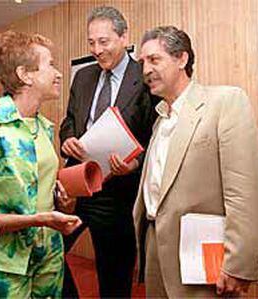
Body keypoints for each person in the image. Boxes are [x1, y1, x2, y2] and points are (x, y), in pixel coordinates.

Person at [134, 26, 258, 298]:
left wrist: (238, 264)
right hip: (154, 251)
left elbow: (246, 192)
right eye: (142, 63)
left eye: (154, 59)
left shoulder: (225, 102)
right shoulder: (160, 120)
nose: (146, 70)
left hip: (202, 258)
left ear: (182, 59)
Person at [0, 30, 82, 298]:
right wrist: (38, 219)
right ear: (25, 74)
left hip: (50, 259)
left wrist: (63, 202)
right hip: (7, 265)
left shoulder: (45, 128)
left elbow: (43, 193)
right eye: (51, 64)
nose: (58, 73)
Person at [58, 6, 158, 298]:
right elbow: (69, 121)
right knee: (45, 251)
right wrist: (69, 138)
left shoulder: (146, 77)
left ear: (123, 36)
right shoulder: (84, 77)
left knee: (114, 280)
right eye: (91, 43)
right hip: (77, 185)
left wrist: (135, 164)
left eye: (104, 41)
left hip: (118, 194)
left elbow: (157, 136)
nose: (97, 50)